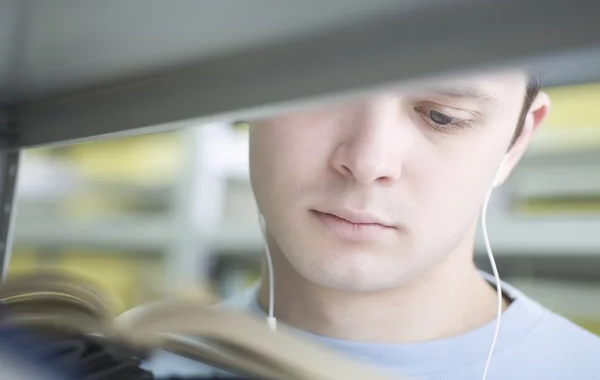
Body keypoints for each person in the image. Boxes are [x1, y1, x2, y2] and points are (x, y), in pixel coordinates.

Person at [142, 69, 600, 379]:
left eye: (443, 117)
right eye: (320, 93)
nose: (367, 161)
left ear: (517, 141)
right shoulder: (121, 359)